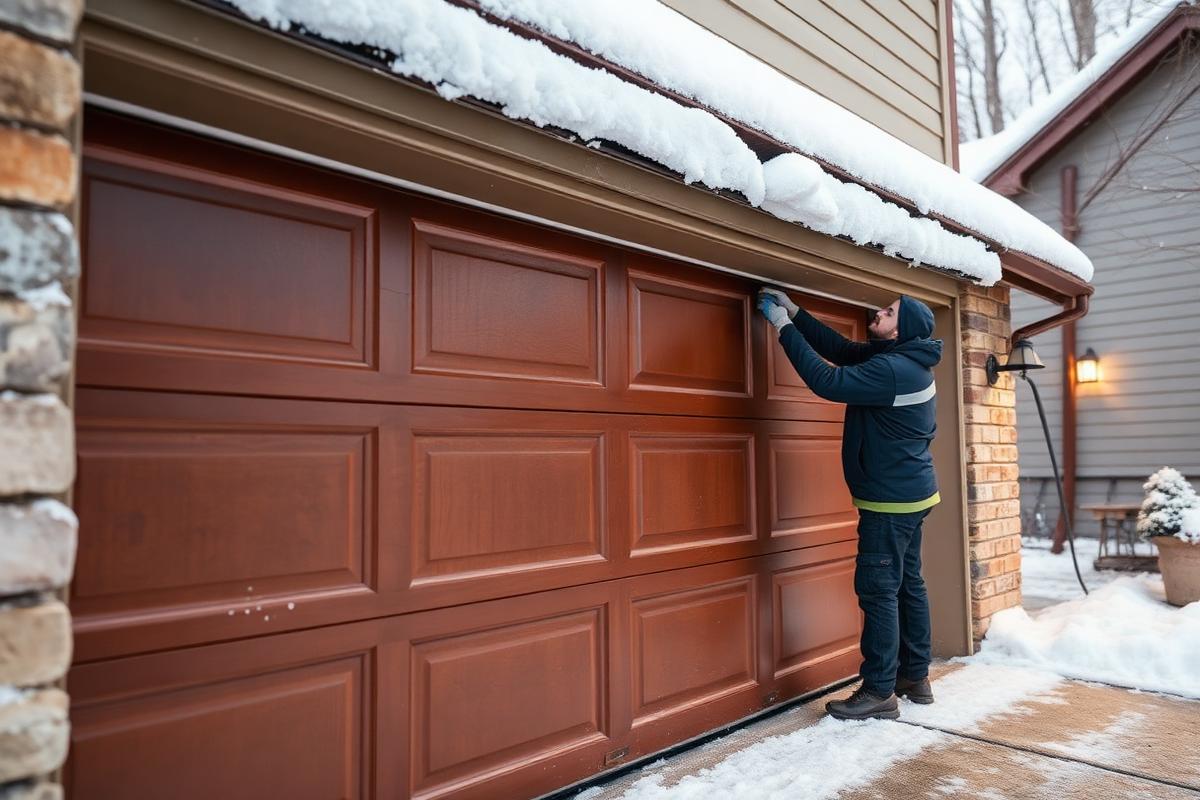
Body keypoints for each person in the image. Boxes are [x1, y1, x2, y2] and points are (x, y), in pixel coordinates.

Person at [758, 287, 942, 721]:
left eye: (889, 310)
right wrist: (797, 313)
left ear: (903, 328)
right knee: (906, 584)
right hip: (910, 494)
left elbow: (827, 381)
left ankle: (879, 690)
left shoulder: (895, 369)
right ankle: (914, 676)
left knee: (878, 591)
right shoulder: (903, 361)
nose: (878, 312)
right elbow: (840, 349)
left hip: (890, 502)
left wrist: (781, 327)